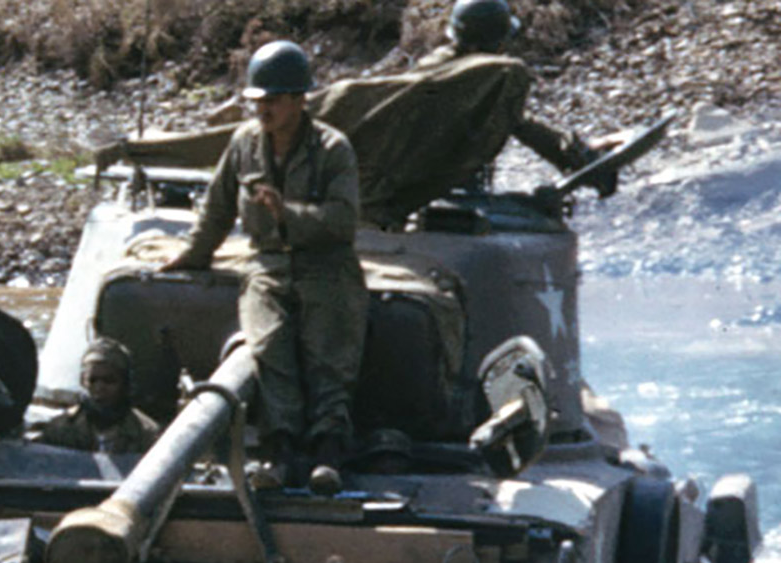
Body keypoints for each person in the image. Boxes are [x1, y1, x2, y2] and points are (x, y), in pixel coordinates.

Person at [96, 0, 615, 227]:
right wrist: (575, 158)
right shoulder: (483, 83)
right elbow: (517, 124)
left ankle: (145, 148)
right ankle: (146, 149)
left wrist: (575, 154)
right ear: (499, 41)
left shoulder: (445, 72)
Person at [161, 40, 368, 496]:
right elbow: (217, 210)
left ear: (299, 100)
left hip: (326, 266)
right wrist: (193, 255)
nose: (263, 110)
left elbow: (343, 220)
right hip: (268, 265)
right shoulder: (244, 144)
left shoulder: (333, 149)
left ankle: (328, 452)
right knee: (268, 346)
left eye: (272, 101)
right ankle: (278, 449)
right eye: (257, 101)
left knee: (328, 354)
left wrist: (287, 214)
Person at [36, 338, 160, 454]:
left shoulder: (146, 433)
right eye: (92, 380)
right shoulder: (60, 429)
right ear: (82, 382)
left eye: (109, 381)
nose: (99, 388)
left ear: (125, 384)